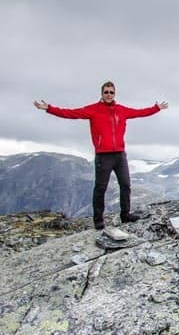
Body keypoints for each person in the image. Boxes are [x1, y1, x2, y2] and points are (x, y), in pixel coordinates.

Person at [34, 81, 168, 230]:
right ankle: (98, 220)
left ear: (114, 94)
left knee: (125, 185)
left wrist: (156, 108)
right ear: (102, 94)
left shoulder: (121, 110)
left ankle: (125, 215)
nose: (109, 95)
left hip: (119, 155)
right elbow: (71, 113)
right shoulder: (93, 110)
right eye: (106, 92)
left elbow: (140, 112)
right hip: (103, 156)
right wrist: (49, 108)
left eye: (111, 92)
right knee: (100, 188)